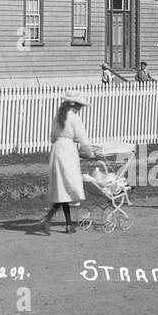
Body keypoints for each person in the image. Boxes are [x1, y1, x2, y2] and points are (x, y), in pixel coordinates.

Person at [36, 91, 97, 235]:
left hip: (57, 150)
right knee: (68, 186)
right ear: (74, 104)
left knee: (63, 188)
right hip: (68, 152)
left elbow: (52, 137)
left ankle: (67, 224)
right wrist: (90, 153)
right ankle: (49, 219)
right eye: (80, 106)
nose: (80, 108)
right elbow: (83, 137)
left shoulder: (58, 117)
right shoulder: (74, 118)